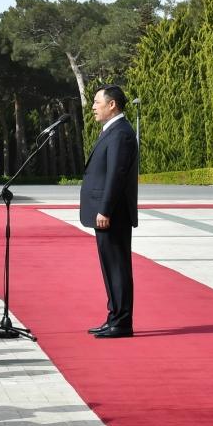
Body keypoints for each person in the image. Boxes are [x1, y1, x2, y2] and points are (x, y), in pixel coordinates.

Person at [80, 85, 138, 338]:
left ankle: (122, 322)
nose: (93, 107)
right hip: (106, 213)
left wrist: (105, 210)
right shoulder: (111, 131)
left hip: (113, 214)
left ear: (112, 104)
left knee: (117, 267)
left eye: (96, 102)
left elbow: (116, 175)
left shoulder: (121, 133)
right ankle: (114, 316)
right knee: (110, 267)